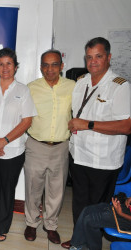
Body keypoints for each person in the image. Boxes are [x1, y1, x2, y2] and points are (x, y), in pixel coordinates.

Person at [61, 37, 131, 249]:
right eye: (89, 57)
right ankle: (78, 239)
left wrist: (87, 124)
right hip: (79, 154)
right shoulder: (80, 81)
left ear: (108, 58)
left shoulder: (120, 87)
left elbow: (126, 126)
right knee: (79, 202)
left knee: (96, 209)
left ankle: (89, 245)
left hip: (103, 160)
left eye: (98, 57)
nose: (93, 62)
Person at [0, 48, 37, 242]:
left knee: (7, 189)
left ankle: (2, 227)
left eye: (9, 63)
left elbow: (27, 121)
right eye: (1, 64)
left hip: (13, 150)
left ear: (16, 67)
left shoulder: (23, 90)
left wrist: (5, 140)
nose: (5, 68)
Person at [23, 50, 75, 244]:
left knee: (57, 189)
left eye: (54, 64)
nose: (49, 69)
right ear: (40, 67)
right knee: (32, 188)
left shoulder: (73, 87)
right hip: (36, 145)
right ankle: (31, 222)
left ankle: (51, 225)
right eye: (45, 65)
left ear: (62, 66)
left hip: (61, 146)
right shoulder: (31, 88)